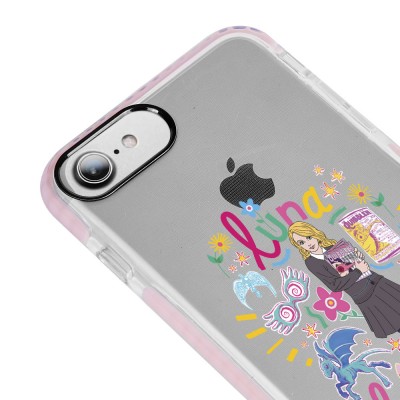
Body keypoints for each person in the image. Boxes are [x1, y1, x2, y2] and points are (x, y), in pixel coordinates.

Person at [288, 221, 400, 338]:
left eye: (309, 237)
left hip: (378, 282)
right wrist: (358, 271)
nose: (308, 243)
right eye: (302, 242)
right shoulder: (311, 263)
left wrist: (357, 258)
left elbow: (352, 265)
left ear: (314, 234)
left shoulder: (332, 246)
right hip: (365, 295)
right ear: (299, 246)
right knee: (395, 322)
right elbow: (335, 285)